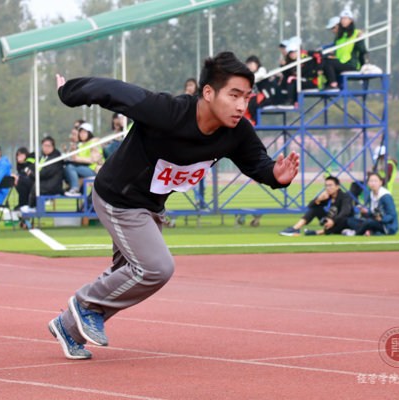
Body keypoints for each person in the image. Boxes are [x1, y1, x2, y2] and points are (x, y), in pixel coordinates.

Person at [47, 51, 300, 360]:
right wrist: (68, 91)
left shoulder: (237, 132)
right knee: (156, 268)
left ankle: (68, 327)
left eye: (246, 97)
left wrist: (276, 175)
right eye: (234, 95)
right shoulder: (167, 112)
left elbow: (258, 163)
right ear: (209, 92)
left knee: (127, 276)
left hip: (151, 206)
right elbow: (111, 90)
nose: (241, 106)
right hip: (117, 197)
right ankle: (85, 304)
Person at [279, 176, 352, 236]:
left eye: (330, 185)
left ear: (337, 187)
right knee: (316, 208)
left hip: (342, 223)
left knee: (345, 219)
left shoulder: (345, 197)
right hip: (330, 222)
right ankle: (296, 228)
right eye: (326, 185)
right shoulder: (327, 196)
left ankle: (317, 232)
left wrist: (333, 221)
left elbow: (346, 211)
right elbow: (310, 206)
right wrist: (319, 199)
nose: (328, 188)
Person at [320, 9, 368, 89]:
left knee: (328, 63)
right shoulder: (339, 35)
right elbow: (337, 51)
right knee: (324, 60)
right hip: (341, 62)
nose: (344, 21)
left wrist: (360, 38)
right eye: (342, 19)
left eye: (346, 18)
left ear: (351, 20)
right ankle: (330, 84)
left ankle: (333, 84)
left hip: (351, 64)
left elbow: (362, 50)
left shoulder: (356, 33)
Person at [22, 136, 64, 212]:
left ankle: (33, 207)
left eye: (48, 146)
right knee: (22, 182)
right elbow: (35, 166)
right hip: (44, 181)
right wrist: (27, 170)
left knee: (36, 186)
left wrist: (31, 174)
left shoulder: (55, 158)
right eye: (44, 145)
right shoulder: (43, 157)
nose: (46, 148)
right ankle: (23, 205)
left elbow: (45, 173)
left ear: (53, 146)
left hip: (53, 185)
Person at [63, 123, 103, 196]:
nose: (82, 134)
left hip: (93, 169)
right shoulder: (81, 144)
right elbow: (74, 158)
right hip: (85, 167)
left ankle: (75, 189)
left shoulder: (93, 143)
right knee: (67, 167)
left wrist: (77, 159)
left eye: (84, 132)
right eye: (80, 132)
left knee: (70, 167)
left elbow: (93, 159)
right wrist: (72, 150)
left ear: (89, 133)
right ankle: (72, 188)